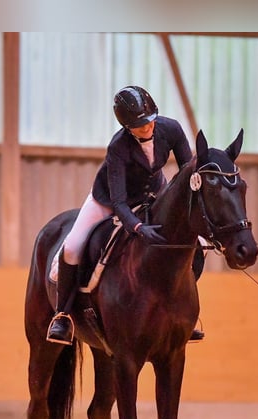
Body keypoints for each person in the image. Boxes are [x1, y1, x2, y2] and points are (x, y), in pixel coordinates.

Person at [46, 85, 205, 345]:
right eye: (140, 125)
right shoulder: (118, 146)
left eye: (151, 120)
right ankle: (63, 315)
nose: (148, 127)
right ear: (127, 127)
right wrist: (138, 228)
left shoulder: (171, 129)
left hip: (154, 193)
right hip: (109, 199)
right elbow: (119, 202)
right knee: (73, 246)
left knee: (195, 247)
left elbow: (188, 172)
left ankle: (181, 310)